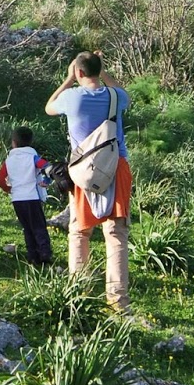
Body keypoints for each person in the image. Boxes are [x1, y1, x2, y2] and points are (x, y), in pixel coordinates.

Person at [45, 51, 133, 311]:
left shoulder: (71, 98)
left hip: (84, 172)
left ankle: (78, 291)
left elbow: (49, 106)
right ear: (99, 70)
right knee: (116, 233)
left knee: (80, 232)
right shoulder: (116, 96)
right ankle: (118, 300)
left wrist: (69, 79)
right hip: (117, 167)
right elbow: (120, 91)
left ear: (79, 72)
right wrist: (103, 72)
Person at [0, 127, 53, 267]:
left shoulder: (9, 160)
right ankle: (45, 253)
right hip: (32, 197)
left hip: (17, 198)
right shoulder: (32, 157)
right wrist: (47, 181)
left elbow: (0, 177)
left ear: (13, 142)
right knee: (39, 226)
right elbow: (48, 167)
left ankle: (32, 256)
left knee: (27, 227)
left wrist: (8, 189)